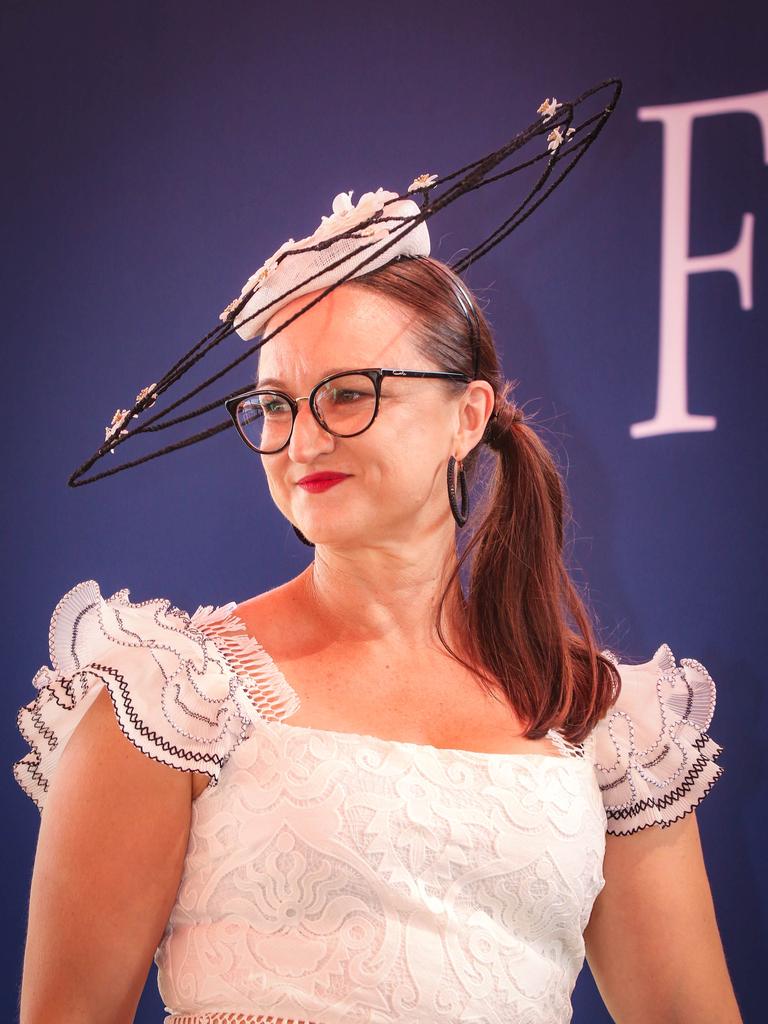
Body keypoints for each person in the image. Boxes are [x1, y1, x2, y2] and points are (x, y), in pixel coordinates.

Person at [13, 158, 740, 1019]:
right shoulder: (169, 696)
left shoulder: (600, 719)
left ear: (467, 416)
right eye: (276, 405)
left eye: (349, 395)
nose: (304, 439)